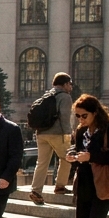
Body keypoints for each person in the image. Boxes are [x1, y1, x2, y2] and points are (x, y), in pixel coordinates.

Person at [28, 73, 77, 205]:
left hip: (41, 133)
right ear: (65, 84)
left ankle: (36, 190)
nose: (71, 87)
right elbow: (65, 117)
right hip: (57, 133)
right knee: (67, 158)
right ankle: (60, 185)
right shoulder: (65, 97)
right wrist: (69, 133)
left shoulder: (46, 96)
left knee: (42, 163)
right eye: (70, 84)